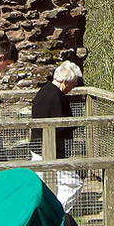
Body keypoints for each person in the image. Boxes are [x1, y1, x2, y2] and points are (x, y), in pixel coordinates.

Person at [30, 60, 84, 210]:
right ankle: (57, 216)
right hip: (51, 150)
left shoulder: (44, 91)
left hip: (38, 148)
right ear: (65, 81)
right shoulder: (56, 97)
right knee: (74, 183)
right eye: (73, 84)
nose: (73, 87)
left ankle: (47, 215)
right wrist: (74, 124)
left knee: (45, 187)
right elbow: (60, 126)